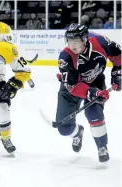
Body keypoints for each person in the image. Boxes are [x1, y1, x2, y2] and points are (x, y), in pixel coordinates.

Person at [56, 23, 121, 163]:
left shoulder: (100, 42)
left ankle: (102, 147)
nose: (72, 45)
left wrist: (117, 73)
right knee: (64, 128)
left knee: (94, 113)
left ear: (85, 40)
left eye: (76, 41)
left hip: (95, 82)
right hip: (71, 88)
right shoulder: (65, 57)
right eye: (69, 41)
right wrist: (92, 93)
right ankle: (77, 132)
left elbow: (118, 55)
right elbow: (72, 86)